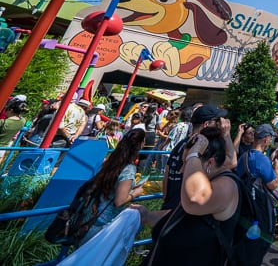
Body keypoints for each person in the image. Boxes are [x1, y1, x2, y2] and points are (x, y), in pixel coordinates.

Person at [132, 126, 240, 265]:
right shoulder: (208, 182)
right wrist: (146, 215)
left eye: (186, 163)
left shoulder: (227, 186)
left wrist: (194, 153)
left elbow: (194, 199)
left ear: (210, 162)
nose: (183, 170)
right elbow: (180, 216)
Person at [79, 129, 147, 244]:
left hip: (89, 217)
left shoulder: (111, 161)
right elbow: (119, 201)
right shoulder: (129, 169)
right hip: (104, 225)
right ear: (140, 144)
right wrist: (135, 193)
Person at [161, 105, 235, 211]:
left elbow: (167, 173)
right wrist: (226, 134)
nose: (221, 125)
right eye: (217, 121)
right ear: (206, 124)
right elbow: (232, 162)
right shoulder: (204, 146)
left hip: (171, 207)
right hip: (186, 211)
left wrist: (166, 200)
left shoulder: (183, 143)